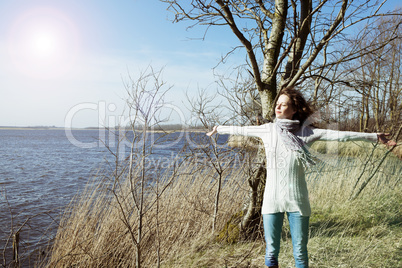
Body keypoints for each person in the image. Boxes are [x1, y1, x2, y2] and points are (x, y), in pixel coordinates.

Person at [206, 88, 396, 268]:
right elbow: (241, 129)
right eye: (277, 104)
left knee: (300, 252)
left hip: (297, 202)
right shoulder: (268, 130)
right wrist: (218, 128)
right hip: (272, 201)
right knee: (271, 252)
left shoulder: (307, 133)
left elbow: (340, 136)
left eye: (283, 104)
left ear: (294, 109)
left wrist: (374, 137)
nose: (278, 107)